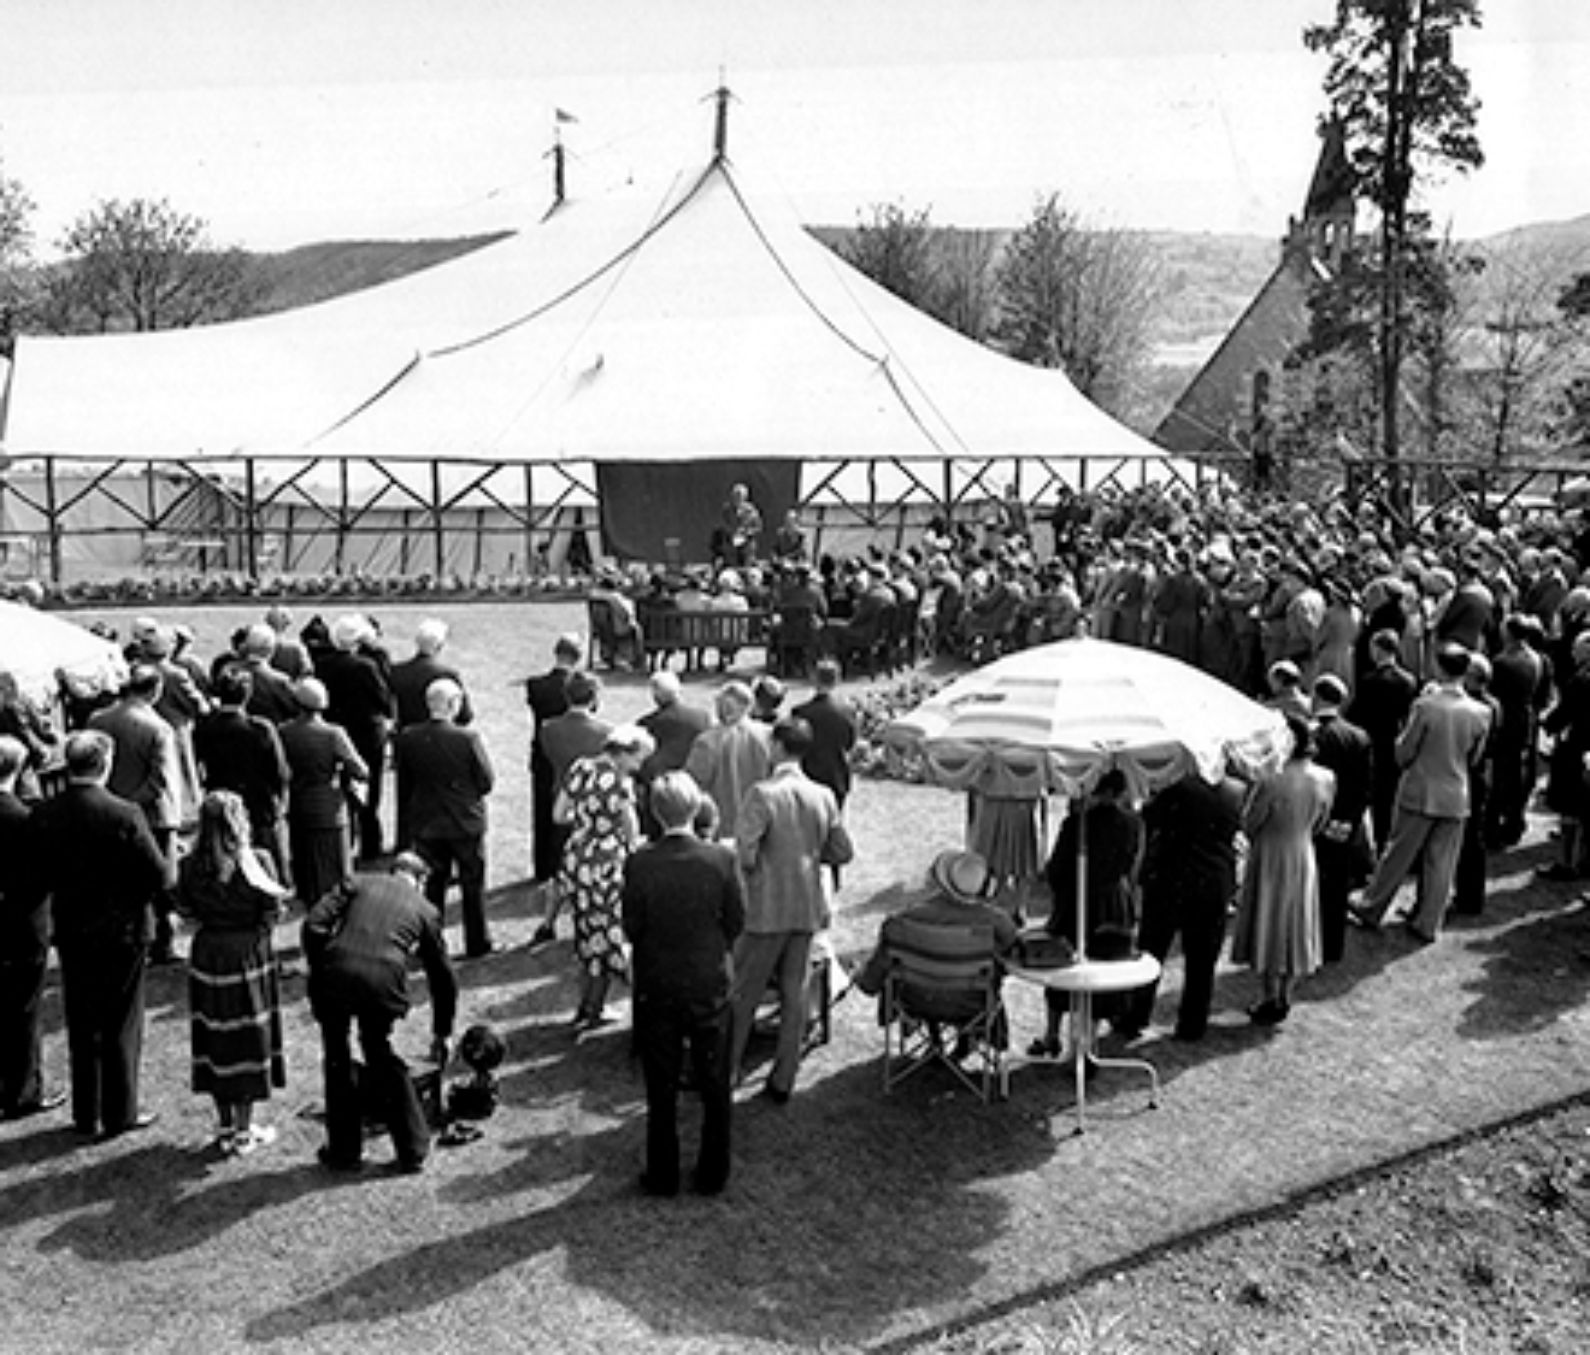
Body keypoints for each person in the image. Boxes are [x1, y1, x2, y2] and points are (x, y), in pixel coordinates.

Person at [29, 731, 171, 1140]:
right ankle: (119, 1111)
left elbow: (39, 874)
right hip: (122, 930)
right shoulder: (124, 814)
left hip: (73, 928)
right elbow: (158, 874)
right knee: (122, 1022)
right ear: (104, 764)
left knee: (82, 1020)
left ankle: (86, 1111)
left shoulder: (46, 814)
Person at [621, 771, 744, 1197]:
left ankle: (663, 1175)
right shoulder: (721, 859)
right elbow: (736, 920)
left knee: (661, 1084)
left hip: (658, 982)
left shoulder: (640, 861)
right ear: (696, 809)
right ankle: (713, 1174)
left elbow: (631, 925)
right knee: (715, 1084)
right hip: (709, 980)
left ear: (655, 812)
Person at [302, 853, 457, 1174]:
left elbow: (314, 924)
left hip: (335, 972)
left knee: (337, 1055)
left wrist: (323, 964)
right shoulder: (425, 909)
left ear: (393, 871)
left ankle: (344, 1153)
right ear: (420, 879)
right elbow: (442, 976)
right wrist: (442, 1030)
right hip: (383, 981)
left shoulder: (357, 881)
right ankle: (413, 1148)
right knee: (378, 1051)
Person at [728, 718, 853, 1104]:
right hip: (805, 905)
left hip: (766, 908)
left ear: (778, 747)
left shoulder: (762, 794)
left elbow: (745, 852)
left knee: (744, 993)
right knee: (794, 993)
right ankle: (784, 1077)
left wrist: (752, 873)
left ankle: (727, 1070)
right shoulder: (823, 795)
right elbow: (842, 851)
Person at [1350, 644, 1492, 943]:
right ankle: (1429, 922)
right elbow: (1475, 758)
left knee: (1398, 853)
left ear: (1440, 668)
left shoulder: (1426, 706)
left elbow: (1404, 752)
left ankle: (1371, 906)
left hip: (1420, 787)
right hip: (1456, 792)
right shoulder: (1482, 712)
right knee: (1441, 862)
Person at [176, 790, 289, 1156]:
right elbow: (274, 910)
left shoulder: (190, 865)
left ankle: (225, 1126)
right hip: (248, 955)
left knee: (215, 1037)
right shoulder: (257, 861)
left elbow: (184, 910)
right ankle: (243, 1130)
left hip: (209, 954)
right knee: (249, 1038)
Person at [1117, 769, 1244, 1042]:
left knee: (1152, 951)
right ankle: (1192, 1023)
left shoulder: (1176, 787)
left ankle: (1136, 1015)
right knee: (1203, 960)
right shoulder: (1236, 791)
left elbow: (1151, 819)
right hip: (1213, 881)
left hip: (1170, 878)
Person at [1029, 770, 1144, 1056]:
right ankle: (1089, 1039)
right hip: (1114, 904)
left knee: (1062, 968)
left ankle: (1052, 1033)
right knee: (1101, 969)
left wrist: (1062, 892)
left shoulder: (1076, 824)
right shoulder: (1133, 824)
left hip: (1077, 900)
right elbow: (1131, 866)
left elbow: (1057, 869)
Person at [1231, 713, 1335, 1025]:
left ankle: (1269, 994)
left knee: (1269, 920)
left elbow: (1250, 822)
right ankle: (1285, 994)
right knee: (1296, 922)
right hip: (1303, 852)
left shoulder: (1270, 778)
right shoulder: (1326, 778)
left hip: (1271, 853)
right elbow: (1321, 821)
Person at [554, 724, 656, 1030]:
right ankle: (595, 1008)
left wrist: (586, 823)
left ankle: (588, 1006)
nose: (640, 766)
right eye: (638, 758)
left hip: (577, 858)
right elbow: (631, 830)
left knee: (587, 932)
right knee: (610, 936)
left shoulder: (580, 767)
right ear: (624, 753)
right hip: (607, 864)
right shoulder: (621, 784)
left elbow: (559, 814)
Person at [392, 678, 496, 958]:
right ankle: (477, 942)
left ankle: (430, 943)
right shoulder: (467, 738)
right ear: (452, 704)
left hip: (427, 822)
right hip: (464, 822)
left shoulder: (409, 737)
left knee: (432, 886)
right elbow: (486, 781)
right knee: (472, 885)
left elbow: (405, 784)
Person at [88, 664, 182, 964]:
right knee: (161, 879)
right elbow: (161, 780)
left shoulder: (99, 719)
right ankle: (163, 943)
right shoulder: (158, 728)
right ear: (155, 690)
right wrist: (132, 805)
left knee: (119, 878)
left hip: (108, 808)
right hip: (154, 815)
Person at [853, 848, 1018, 998]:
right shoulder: (996, 921)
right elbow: (1013, 948)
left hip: (914, 1001)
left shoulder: (902, 921)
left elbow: (870, 982)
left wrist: (859, 975)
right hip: (974, 1004)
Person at [0, 735, 63, 1120]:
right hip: (22, 922)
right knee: (24, 1008)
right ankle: (23, 1090)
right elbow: (44, 874)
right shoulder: (25, 819)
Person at [193, 668, 292, 886]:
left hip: (220, 793)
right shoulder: (260, 728)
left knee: (219, 843)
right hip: (258, 798)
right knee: (264, 851)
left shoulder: (206, 725)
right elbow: (279, 771)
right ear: (247, 695)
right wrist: (280, 798)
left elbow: (197, 762)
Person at [538, 671, 615, 943]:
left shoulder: (548, 729)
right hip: (594, 805)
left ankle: (547, 923)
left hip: (562, 798)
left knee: (558, 869)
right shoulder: (606, 733)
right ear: (594, 697)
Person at [279, 678, 369, 909]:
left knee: (307, 872)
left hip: (299, 807)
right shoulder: (333, 734)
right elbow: (361, 771)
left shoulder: (284, 732)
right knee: (337, 874)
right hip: (330, 809)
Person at [316, 615, 395, 863]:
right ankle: (370, 845)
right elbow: (384, 701)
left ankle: (345, 842)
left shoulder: (322, 664)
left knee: (342, 787)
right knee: (370, 791)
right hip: (366, 733)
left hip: (336, 729)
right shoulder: (366, 667)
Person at [1310, 675, 1375, 964]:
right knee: (1337, 885)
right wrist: (1350, 819)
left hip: (1317, 820)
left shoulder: (1315, 736)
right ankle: (1333, 947)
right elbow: (1365, 785)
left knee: (1312, 886)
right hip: (1345, 821)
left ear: (1317, 697)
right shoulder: (1359, 736)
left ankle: (1309, 944)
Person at [524, 634, 582, 939]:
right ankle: (561, 866)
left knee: (542, 809)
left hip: (543, 752)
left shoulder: (536, 685)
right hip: (571, 752)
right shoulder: (580, 686)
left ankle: (542, 865)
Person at [1346, 629, 1420, 848]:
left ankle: (1381, 842)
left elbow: (1356, 715)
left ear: (1377, 650)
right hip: (1399, 741)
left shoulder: (1369, 681)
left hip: (1376, 744)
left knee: (1380, 798)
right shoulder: (1409, 680)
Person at [683, 681, 771, 842]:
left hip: (723, 827)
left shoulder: (707, 741)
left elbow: (693, 785)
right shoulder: (769, 737)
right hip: (763, 824)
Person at [636, 670, 711, 839]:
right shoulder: (702, 718)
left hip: (659, 798)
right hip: (695, 791)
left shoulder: (647, 724)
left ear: (655, 695)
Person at [390, 619, 473, 731]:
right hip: (438, 738)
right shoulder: (447, 674)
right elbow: (465, 716)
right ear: (440, 646)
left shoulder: (395, 671)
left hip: (405, 737)